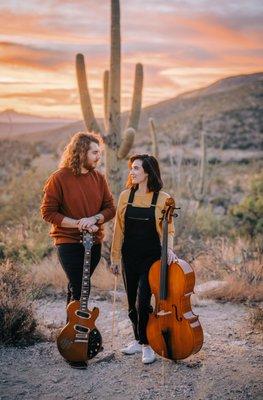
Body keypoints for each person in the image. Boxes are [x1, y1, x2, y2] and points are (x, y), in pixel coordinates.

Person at [40, 131, 116, 369]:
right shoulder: (59, 178)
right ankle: (77, 343)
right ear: (81, 152)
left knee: (77, 288)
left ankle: (72, 335)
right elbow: (48, 212)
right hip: (68, 241)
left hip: (94, 242)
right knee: (81, 286)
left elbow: (110, 208)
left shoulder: (99, 178)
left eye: (100, 153)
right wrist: (78, 223)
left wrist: (94, 218)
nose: (98, 157)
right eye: (95, 152)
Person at [110, 154, 177, 364]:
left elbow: (170, 230)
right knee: (131, 303)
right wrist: (114, 257)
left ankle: (147, 346)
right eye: (131, 168)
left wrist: (169, 250)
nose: (132, 172)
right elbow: (118, 230)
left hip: (151, 258)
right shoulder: (124, 196)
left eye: (136, 168)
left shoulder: (163, 198)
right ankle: (138, 340)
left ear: (148, 171)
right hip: (129, 256)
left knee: (142, 302)